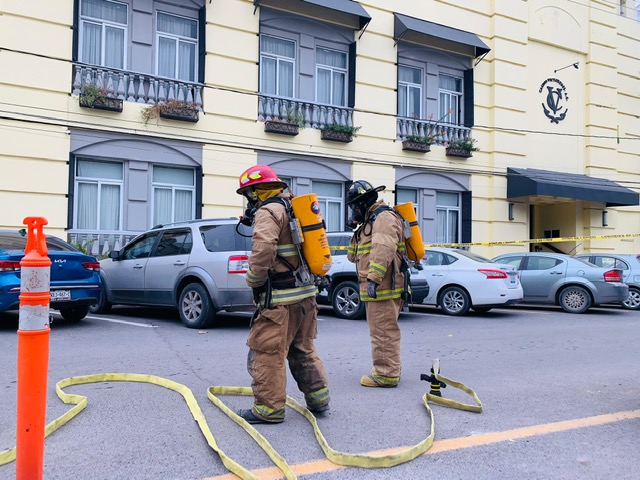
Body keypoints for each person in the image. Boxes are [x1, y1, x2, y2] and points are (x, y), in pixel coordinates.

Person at [235, 164, 330, 424]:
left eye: (248, 194)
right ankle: (319, 399)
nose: (248, 201)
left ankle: (269, 409)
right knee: (303, 349)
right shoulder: (294, 208)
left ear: (256, 191)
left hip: (280, 300)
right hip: (306, 297)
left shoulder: (269, 211)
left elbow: (264, 249)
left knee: (267, 352)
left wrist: (254, 281)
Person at [346, 180, 407, 388]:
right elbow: (352, 256)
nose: (354, 211)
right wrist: (356, 228)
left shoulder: (383, 218)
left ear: (363, 203)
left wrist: (373, 279)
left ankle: (386, 374)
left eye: (355, 207)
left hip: (383, 287)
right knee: (381, 330)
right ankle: (389, 368)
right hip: (379, 287)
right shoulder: (372, 220)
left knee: (383, 332)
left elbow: (383, 249)